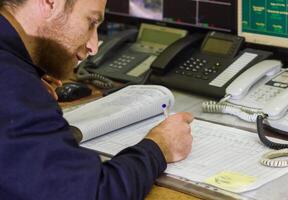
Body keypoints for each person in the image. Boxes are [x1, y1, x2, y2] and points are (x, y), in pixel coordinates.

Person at [0, 0, 193, 199]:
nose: (94, 47)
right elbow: (94, 193)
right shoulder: (13, 85)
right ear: (50, 3)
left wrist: (28, 72)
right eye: (91, 22)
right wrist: (158, 148)